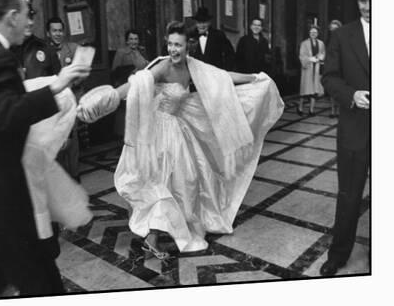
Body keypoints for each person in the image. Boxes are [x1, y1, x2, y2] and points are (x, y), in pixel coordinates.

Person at [77, 21, 284, 258]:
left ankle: (162, 234)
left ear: (189, 46)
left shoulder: (194, 67)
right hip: (156, 133)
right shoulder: (163, 66)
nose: (173, 49)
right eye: (170, 44)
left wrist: (254, 78)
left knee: (186, 182)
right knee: (161, 181)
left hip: (177, 131)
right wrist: (108, 98)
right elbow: (137, 83)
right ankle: (153, 238)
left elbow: (223, 77)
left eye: (179, 45)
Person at [0, 0, 90, 296]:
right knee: (34, 282)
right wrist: (58, 86)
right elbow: (5, 117)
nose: (30, 21)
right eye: (26, 14)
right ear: (11, 16)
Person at [320, 0, 370, 276]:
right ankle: (338, 255)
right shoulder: (342, 36)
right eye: (364, 1)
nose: (369, 6)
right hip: (354, 128)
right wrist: (352, 95)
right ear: (357, 1)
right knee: (349, 195)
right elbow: (329, 77)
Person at [46, 16, 82, 181]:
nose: (58, 34)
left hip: (70, 99)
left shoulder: (73, 48)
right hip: (51, 101)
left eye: (60, 30)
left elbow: (81, 72)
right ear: (48, 33)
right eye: (54, 30)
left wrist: (69, 84)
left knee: (71, 137)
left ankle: (74, 174)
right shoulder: (44, 51)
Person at [12, 0, 61, 80]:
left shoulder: (47, 49)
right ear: (14, 18)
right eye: (25, 17)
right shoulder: (4, 49)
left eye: (31, 17)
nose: (30, 22)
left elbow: (59, 83)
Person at [297, 25, 325, 115]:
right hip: (307, 68)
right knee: (304, 90)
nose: (313, 34)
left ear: (318, 34)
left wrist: (320, 58)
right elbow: (302, 55)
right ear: (309, 33)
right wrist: (309, 59)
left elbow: (323, 53)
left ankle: (311, 110)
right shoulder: (304, 43)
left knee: (314, 91)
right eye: (311, 32)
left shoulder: (321, 43)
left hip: (316, 69)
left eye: (315, 32)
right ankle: (300, 108)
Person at [326, 19, 343, 117]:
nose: (333, 31)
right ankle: (333, 111)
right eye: (331, 29)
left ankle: (341, 112)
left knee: (340, 91)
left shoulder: (344, 39)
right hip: (331, 68)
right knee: (332, 91)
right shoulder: (328, 40)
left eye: (335, 29)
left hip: (341, 69)